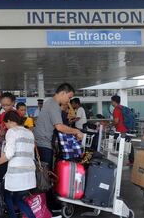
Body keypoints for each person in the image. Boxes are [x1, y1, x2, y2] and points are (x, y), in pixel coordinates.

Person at [33, 83, 84, 214]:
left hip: (42, 142)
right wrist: (76, 131)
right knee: (46, 175)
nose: (69, 101)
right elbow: (59, 127)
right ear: (62, 93)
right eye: (69, 97)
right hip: (43, 144)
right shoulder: (53, 105)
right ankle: (48, 206)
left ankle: (49, 202)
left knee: (46, 174)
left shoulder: (50, 103)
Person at [0, 111, 36, 218]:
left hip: (17, 174)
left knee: (7, 195)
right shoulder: (29, 133)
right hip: (29, 174)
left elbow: (9, 154)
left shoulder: (12, 132)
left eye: (5, 124)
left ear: (9, 121)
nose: (5, 126)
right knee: (18, 199)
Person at [110, 95, 134, 164]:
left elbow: (116, 121)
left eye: (111, 101)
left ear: (114, 101)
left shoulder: (116, 109)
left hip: (120, 130)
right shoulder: (122, 108)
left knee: (116, 144)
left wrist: (111, 124)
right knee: (129, 145)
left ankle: (117, 161)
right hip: (126, 128)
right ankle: (131, 160)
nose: (111, 103)